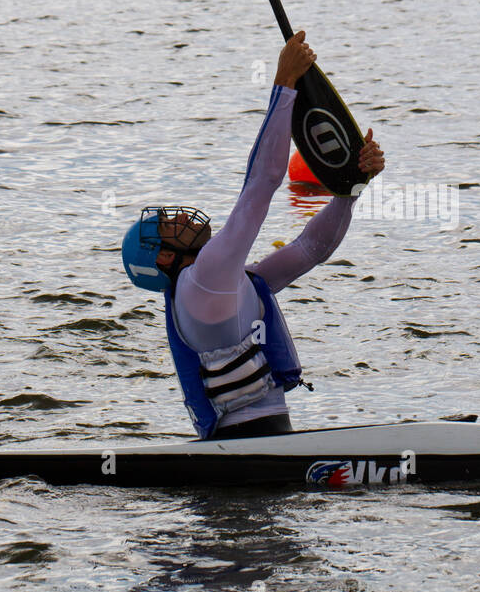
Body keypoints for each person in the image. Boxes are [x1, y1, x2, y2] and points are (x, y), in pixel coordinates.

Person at [121, 31, 385, 440]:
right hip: (249, 443)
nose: (180, 218)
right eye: (167, 226)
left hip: (263, 439)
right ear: (164, 259)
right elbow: (261, 184)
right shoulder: (205, 278)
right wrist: (284, 85)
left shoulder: (226, 283)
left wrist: (350, 191)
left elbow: (312, 248)